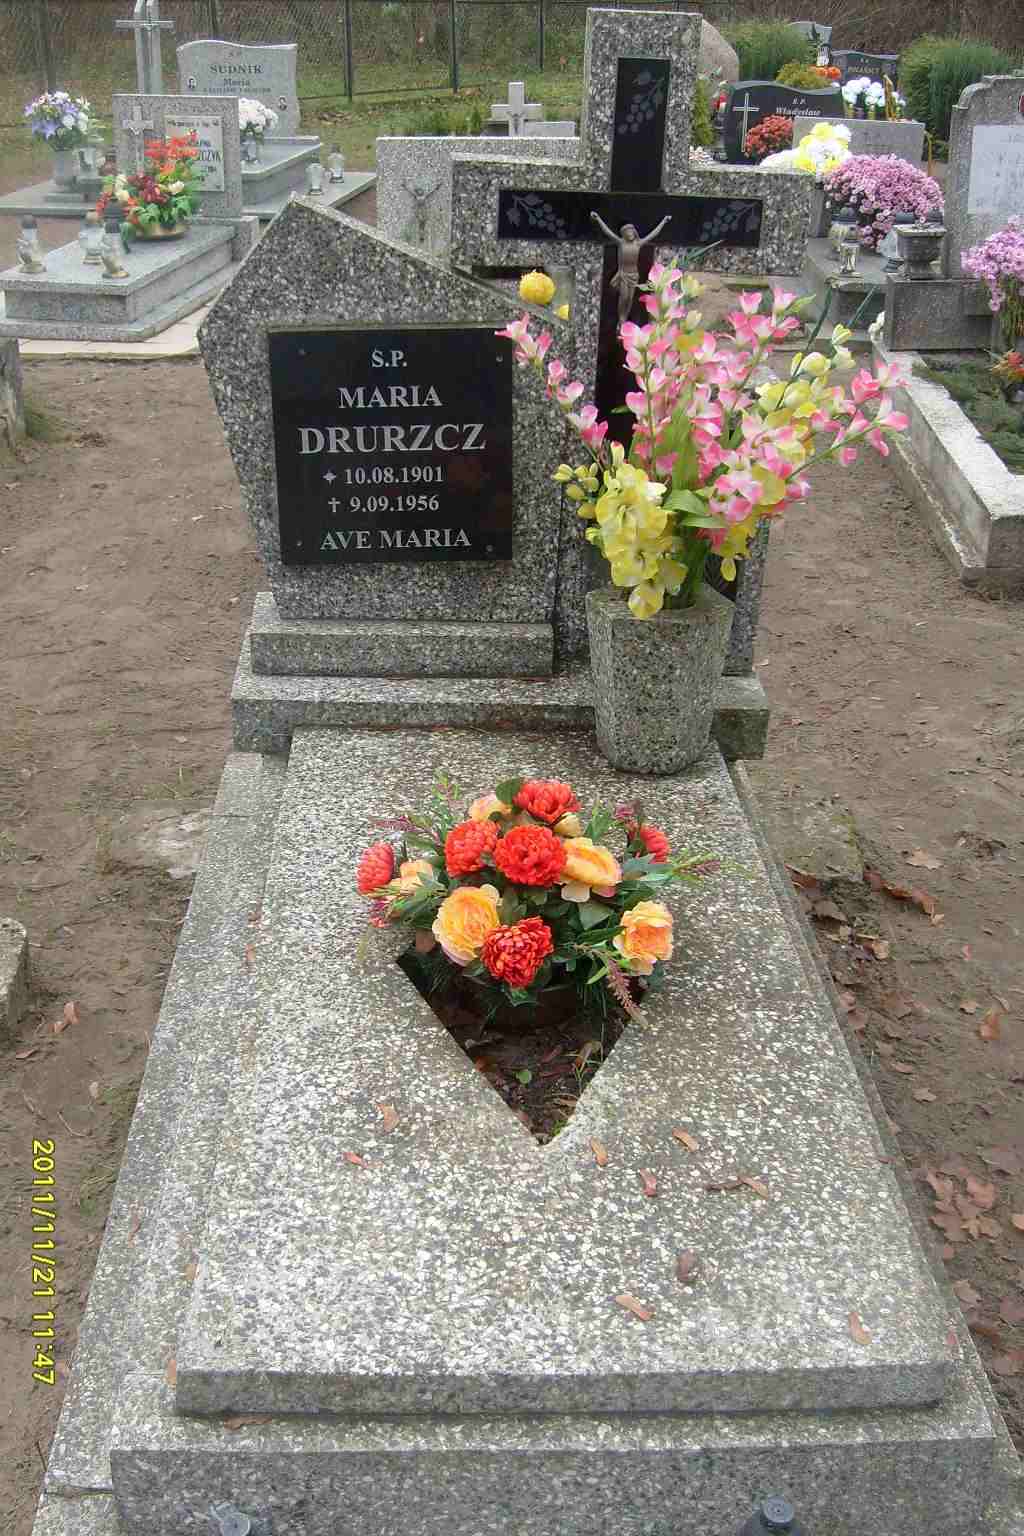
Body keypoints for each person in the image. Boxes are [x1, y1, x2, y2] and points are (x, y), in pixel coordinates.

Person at [589, 211, 672, 323]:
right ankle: (621, 317)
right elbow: (608, 232)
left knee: (629, 298)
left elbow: (653, 234)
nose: (630, 233)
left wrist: (664, 221)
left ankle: (625, 316)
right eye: (627, 232)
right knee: (623, 297)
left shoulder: (638, 243)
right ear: (624, 234)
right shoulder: (621, 243)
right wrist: (598, 219)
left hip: (634, 275)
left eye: (631, 231)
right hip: (623, 274)